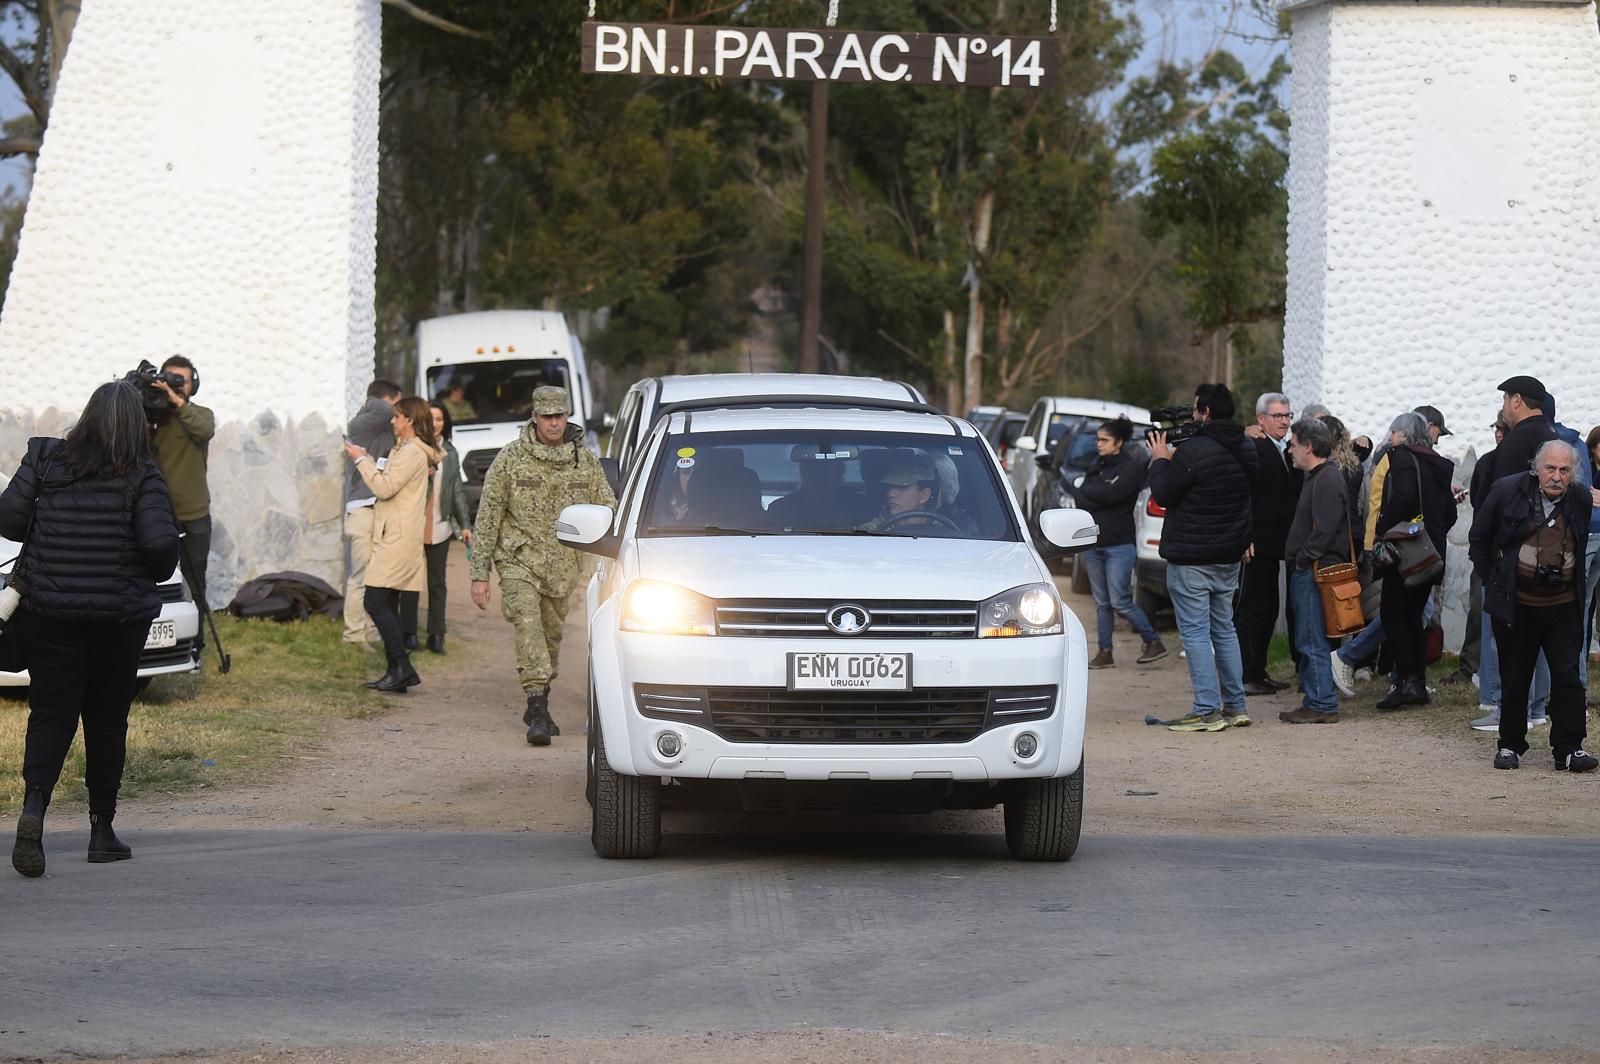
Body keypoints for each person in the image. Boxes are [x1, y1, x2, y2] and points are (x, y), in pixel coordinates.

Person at [2, 380, 181, 878]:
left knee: (50, 715)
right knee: (106, 719)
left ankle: (34, 809)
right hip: (118, 619)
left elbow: (9, 523)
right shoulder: (143, 472)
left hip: (50, 612)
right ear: (137, 425)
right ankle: (102, 832)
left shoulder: (47, 460)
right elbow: (160, 549)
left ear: (87, 417)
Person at [470, 386, 615, 745]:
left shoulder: (585, 461)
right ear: (534, 417)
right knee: (528, 623)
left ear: (567, 417)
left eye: (559, 416)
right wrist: (479, 573)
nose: (553, 423)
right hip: (518, 559)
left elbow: (607, 507)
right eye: (547, 416)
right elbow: (488, 515)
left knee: (551, 635)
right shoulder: (511, 458)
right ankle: (536, 706)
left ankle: (542, 698)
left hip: (564, 566)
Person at [1470, 440, 1596, 772]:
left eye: (1564, 470)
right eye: (1550, 468)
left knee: (1568, 677)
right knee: (1515, 676)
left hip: (1564, 604)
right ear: (1536, 468)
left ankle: (1569, 748)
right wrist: (1494, 579)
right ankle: (1510, 745)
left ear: (1573, 473)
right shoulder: (1507, 491)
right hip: (1518, 604)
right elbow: (1479, 538)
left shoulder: (1580, 498)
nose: (1556, 476)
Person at [1147, 383, 1259, 733]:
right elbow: (1250, 494)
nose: (1192, 414)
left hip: (1192, 557)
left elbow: (1163, 494)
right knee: (1224, 629)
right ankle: (1235, 706)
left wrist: (1160, 459)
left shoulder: (1194, 451)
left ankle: (1207, 709)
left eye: (1195, 409)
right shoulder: (1246, 447)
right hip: (1229, 555)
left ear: (1205, 412)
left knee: (1196, 634)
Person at [341, 396, 441, 694]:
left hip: (397, 537)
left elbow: (384, 488)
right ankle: (397, 670)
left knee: (374, 600)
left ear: (410, 420)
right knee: (388, 602)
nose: (392, 421)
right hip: (396, 533)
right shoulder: (406, 449)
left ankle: (403, 667)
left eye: (397, 417)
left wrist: (361, 459)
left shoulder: (411, 452)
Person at [1365, 411, 1457, 709]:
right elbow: (1450, 512)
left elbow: (1402, 499)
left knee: (1393, 615)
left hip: (1404, 551)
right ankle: (1417, 683)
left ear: (1404, 434)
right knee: (1413, 617)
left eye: (1394, 431)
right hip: (1429, 552)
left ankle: (1407, 683)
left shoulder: (1402, 458)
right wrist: (1431, 535)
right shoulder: (1436, 462)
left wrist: (1383, 531)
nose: (1390, 436)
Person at [1063, 416, 1167, 669]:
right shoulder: (1096, 466)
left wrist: (1090, 492)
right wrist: (1096, 494)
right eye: (1097, 439)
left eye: (1105, 440)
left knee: (1120, 600)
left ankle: (1153, 641)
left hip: (1119, 545)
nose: (1099, 444)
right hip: (1093, 543)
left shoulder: (1129, 468)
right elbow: (1082, 498)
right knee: (1102, 603)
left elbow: (1112, 495)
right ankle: (1105, 652)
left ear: (1118, 442)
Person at [1279, 417, 1351, 723]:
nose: (1290, 450)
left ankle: (1321, 703)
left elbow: (1324, 530)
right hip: (1310, 568)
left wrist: (1303, 560)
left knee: (1311, 640)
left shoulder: (1327, 479)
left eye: (1294, 445)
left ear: (1308, 447)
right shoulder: (1318, 477)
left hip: (1315, 571)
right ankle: (1316, 699)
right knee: (1308, 638)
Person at [1237, 392, 1302, 694]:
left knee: (1269, 608)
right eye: (1278, 416)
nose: (1284, 421)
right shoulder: (1253, 446)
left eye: (1287, 415)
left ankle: (1257, 670)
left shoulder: (1286, 449)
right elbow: (1243, 493)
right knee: (1253, 608)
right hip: (1256, 543)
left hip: (1277, 542)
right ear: (1261, 419)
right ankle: (1246, 673)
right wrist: (1245, 535)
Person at [399, 401, 473, 654]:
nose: (435, 424)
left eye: (440, 419)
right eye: (431, 418)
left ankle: (436, 634)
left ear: (445, 422)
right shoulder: (413, 448)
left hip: (440, 525)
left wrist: (465, 524)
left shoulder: (450, 452)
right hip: (414, 524)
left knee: (437, 582)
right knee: (410, 580)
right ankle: (408, 633)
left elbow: (457, 490)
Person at [149, 356, 215, 614]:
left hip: (194, 515)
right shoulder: (151, 416)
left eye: (182, 381)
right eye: (171, 380)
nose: (176, 386)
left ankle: (196, 636)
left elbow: (205, 430)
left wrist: (177, 402)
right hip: (157, 514)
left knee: (194, 584)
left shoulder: (201, 414)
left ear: (193, 385)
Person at [342, 379, 402, 644]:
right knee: (360, 577)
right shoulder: (362, 424)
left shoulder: (382, 429)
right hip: (362, 510)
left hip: (379, 509)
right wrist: (390, 405)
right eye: (396, 405)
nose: (396, 415)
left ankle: (372, 631)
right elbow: (382, 408)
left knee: (376, 577)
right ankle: (354, 635)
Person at [768, 454, 869, 529]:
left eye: (824, 470)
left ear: (838, 473)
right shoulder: (781, 509)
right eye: (811, 469)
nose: (817, 474)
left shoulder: (863, 507)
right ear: (802, 475)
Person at [858, 455, 954, 532]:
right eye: (889, 486)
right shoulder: (875, 529)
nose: (891, 494)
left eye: (901, 487)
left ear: (924, 495)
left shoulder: (944, 533)